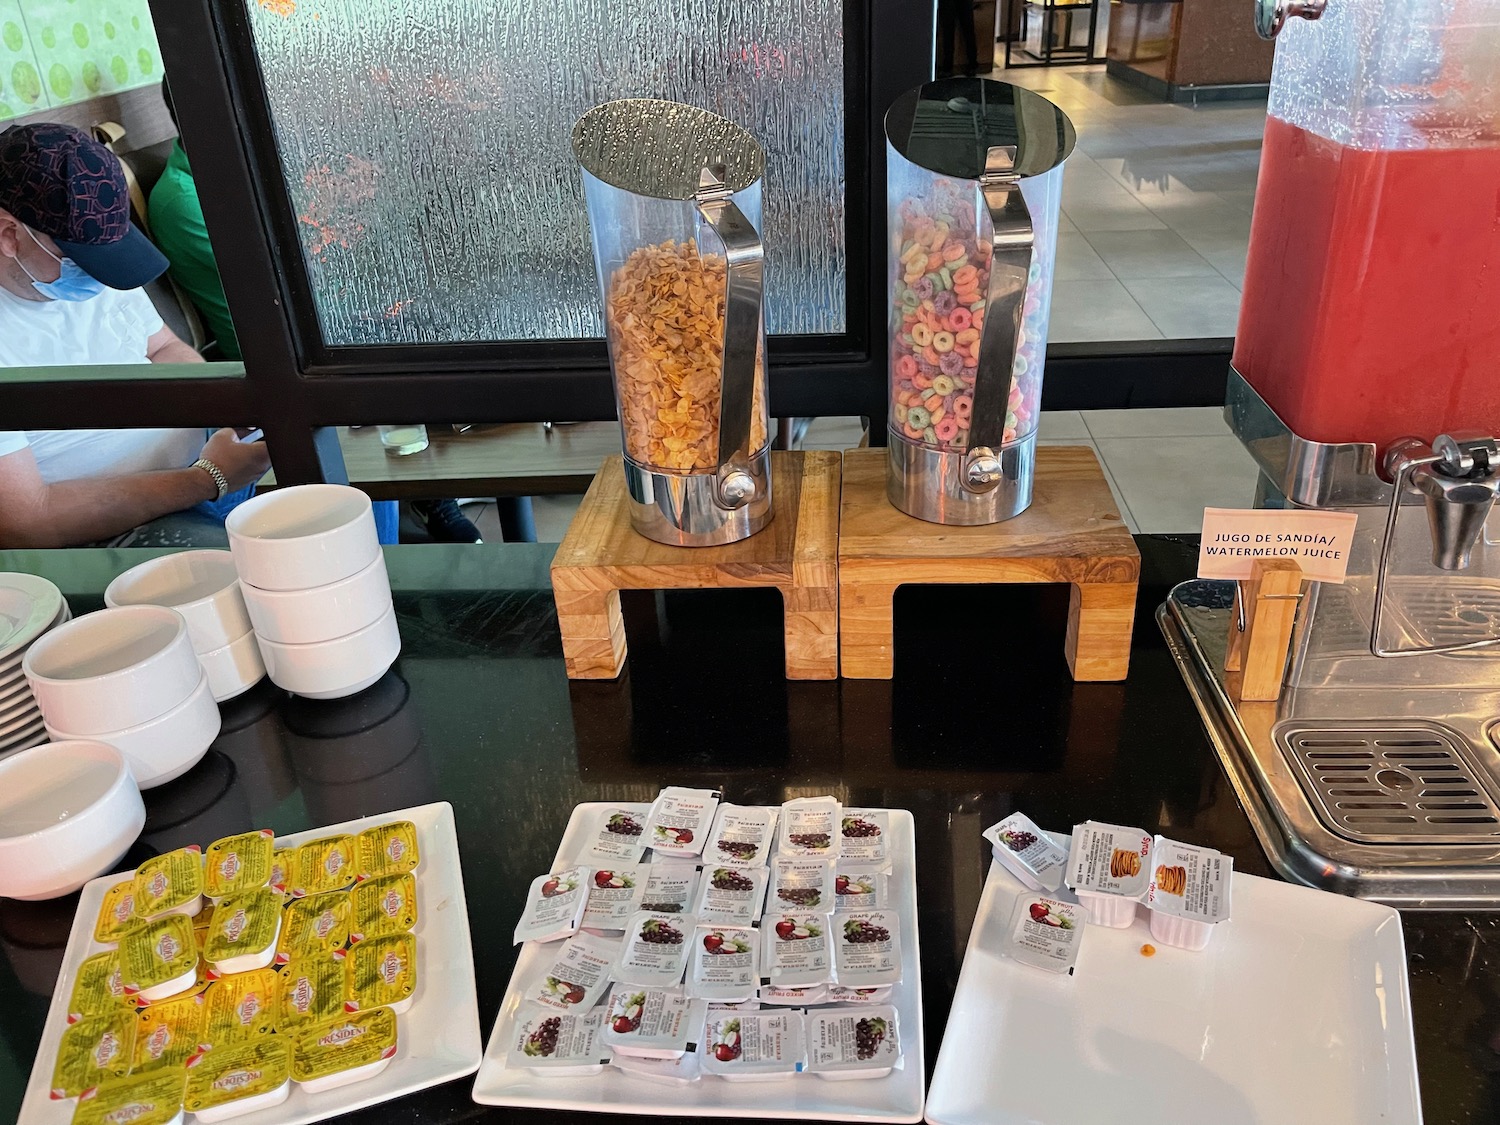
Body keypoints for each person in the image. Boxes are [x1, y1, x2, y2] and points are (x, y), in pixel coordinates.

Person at [0, 122, 269, 549]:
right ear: (9, 234)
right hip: (105, 530)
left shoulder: (97, 270)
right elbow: (26, 519)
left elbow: (161, 346)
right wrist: (205, 480)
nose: (100, 279)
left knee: (346, 480)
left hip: (203, 471)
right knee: (243, 575)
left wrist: (223, 403)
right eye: (84, 260)